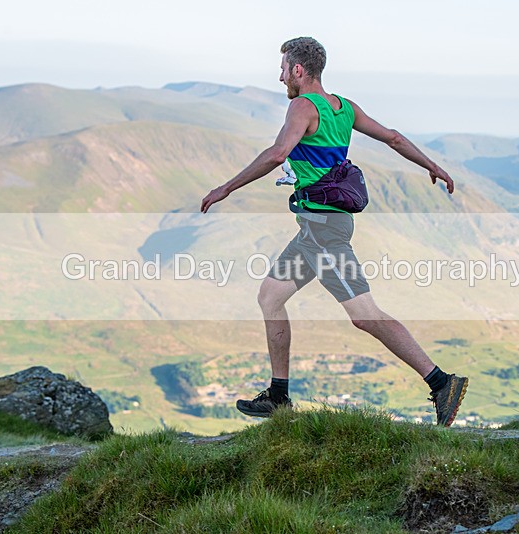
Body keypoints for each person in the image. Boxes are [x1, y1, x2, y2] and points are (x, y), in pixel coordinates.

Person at [201, 37, 468, 426]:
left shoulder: (302, 106)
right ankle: (278, 396)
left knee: (364, 314)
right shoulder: (343, 108)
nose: (279, 77)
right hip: (315, 229)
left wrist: (225, 188)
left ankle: (442, 382)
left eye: (282, 69)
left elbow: (278, 153)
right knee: (271, 296)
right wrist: (431, 164)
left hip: (324, 231)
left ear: (298, 70)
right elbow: (393, 137)